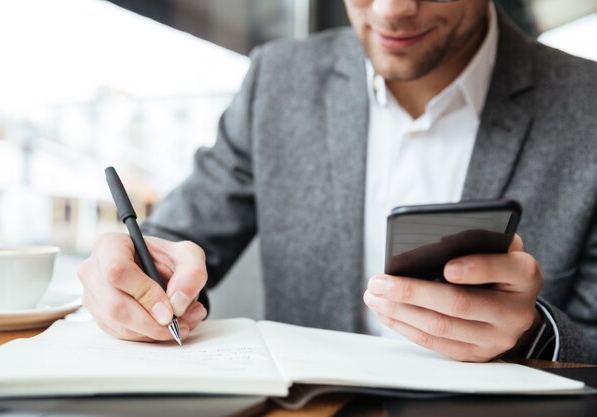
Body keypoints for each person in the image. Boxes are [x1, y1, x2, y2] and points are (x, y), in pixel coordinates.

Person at [78, 0, 597, 363]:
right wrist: (132, 274)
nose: (391, 9)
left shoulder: (587, 109)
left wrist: (533, 336)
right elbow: (172, 244)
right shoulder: (277, 80)